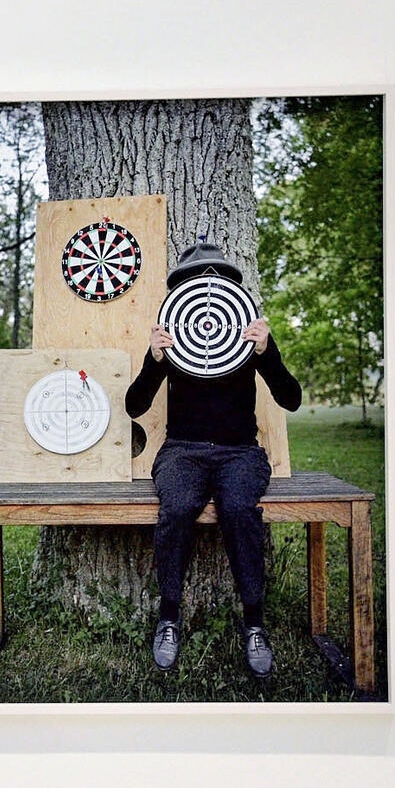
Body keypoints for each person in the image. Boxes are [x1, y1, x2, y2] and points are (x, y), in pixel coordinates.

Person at [125, 242, 302, 679]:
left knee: (239, 509)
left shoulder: (246, 342)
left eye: (215, 278)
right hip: (182, 451)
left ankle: (254, 624)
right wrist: (154, 360)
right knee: (178, 508)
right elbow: (134, 405)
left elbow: (291, 398)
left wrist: (266, 352)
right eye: (195, 279)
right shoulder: (174, 345)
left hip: (239, 452)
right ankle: (169, 617)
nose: (206, 287)